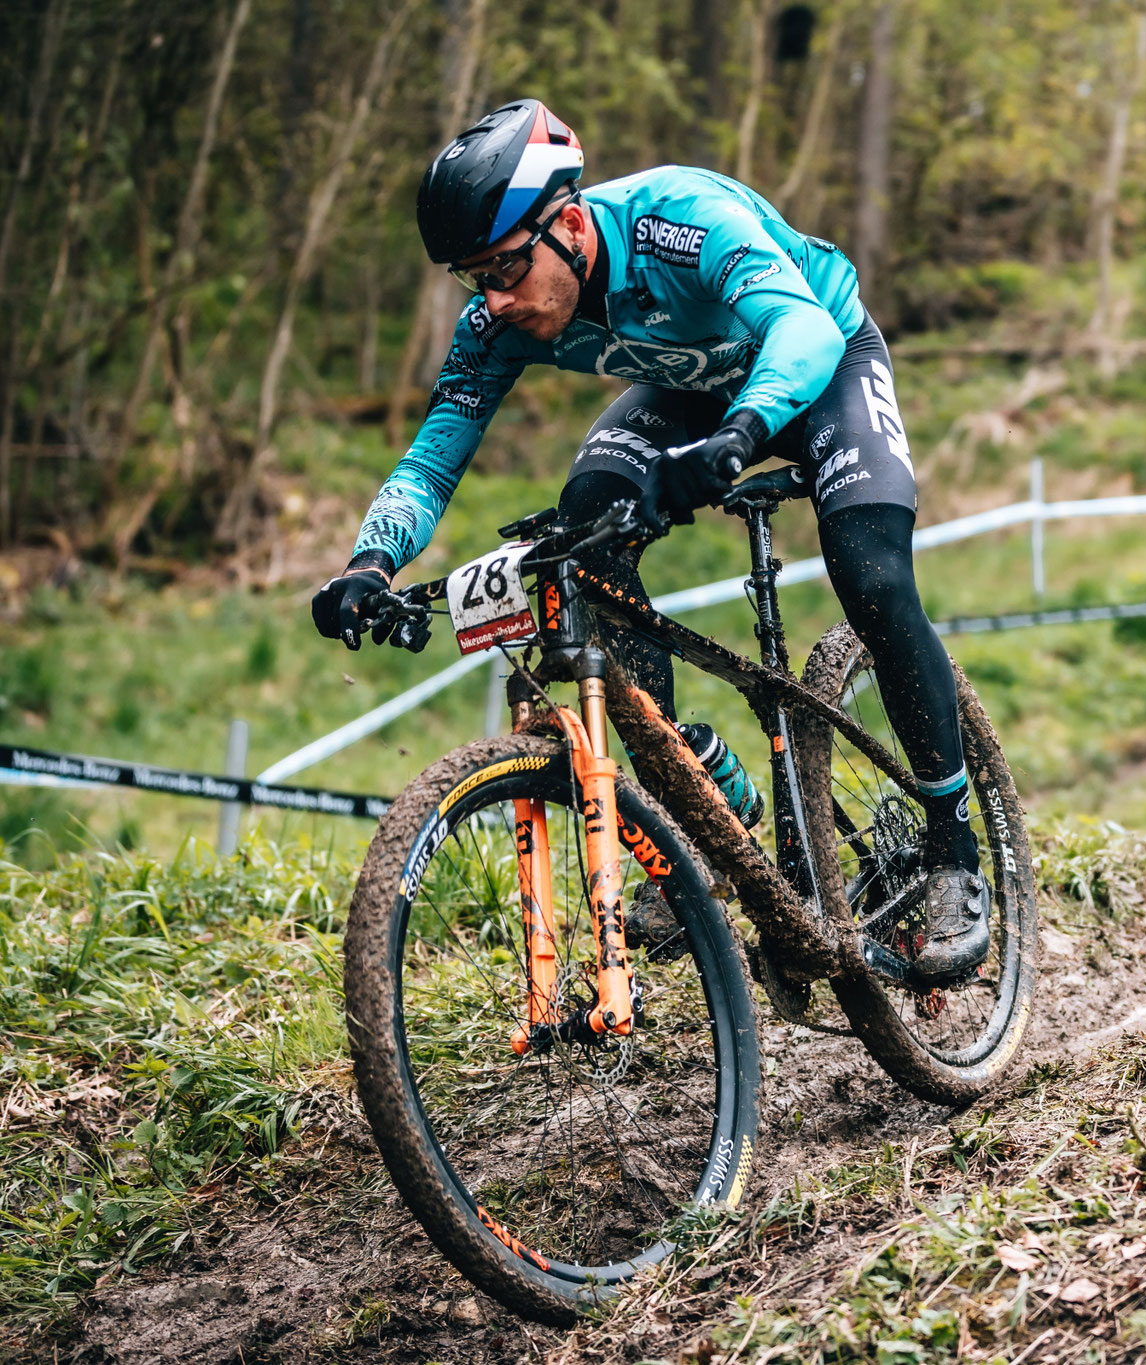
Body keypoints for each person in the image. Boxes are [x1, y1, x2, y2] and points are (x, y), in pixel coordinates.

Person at [309, 99, 989, 987]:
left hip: (820, 362)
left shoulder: (678, 219)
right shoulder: (498, 321)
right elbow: (435, 454)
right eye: (474, 278)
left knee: (870, 574)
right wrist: (371, 561)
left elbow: (805, 329)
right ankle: (698, 808)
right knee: (585, 523)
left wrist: (743, 434)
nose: (497, 299)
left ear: (571, 220)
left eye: (509, 268)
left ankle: (951, 847)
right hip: (692, 392)